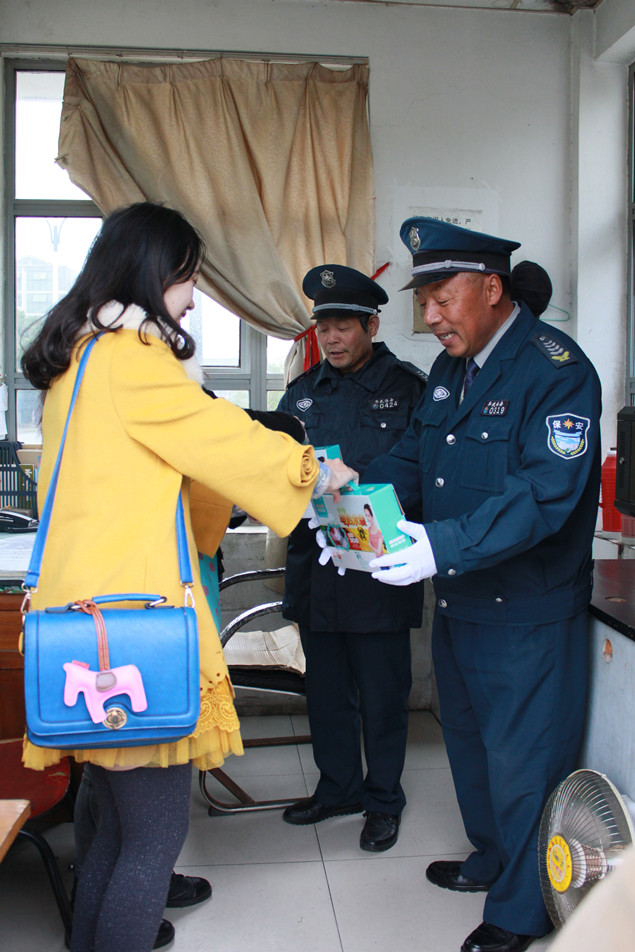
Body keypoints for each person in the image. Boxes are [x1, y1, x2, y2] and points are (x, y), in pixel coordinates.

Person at [20, 202, 355, 952]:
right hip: (126, 632)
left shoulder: (80, 357)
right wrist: (311, 468)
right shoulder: (132, 356)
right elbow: (216, 435)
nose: (193, 298)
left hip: (84, 620)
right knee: (153, 836)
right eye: (188, 279)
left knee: (109, 824)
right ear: (151, 274)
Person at [365, 218, 601, 952]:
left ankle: (521, 911)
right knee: (469, 748)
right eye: (423, 302)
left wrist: (439, 544)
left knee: (525, 762)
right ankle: (494, 859)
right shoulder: (449, 370)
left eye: (443, 299)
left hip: (526, 612)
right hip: (461, 598)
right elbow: (414, 459)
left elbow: (542, 495)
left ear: (491, 288)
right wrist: (353, 505)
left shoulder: (556, 370)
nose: (431, 316)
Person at [278, 264, 426, 852]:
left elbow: (423, 474)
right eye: (324, 328)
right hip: (317, 567)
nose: (332, 338)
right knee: (326, 690)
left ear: (372, 325)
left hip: (378, 572)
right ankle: (338, 787)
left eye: (344, 326)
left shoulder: (409, 390)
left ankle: (383, 799)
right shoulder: (301, 394)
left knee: (383, 695)